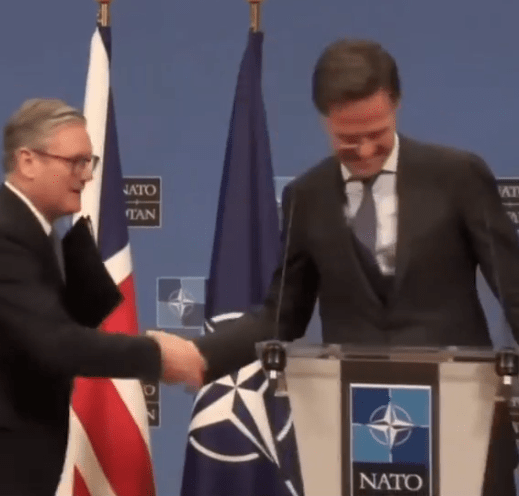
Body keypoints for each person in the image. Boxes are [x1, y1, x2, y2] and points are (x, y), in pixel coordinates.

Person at [190, 39, 519, 495]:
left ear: (396, 106)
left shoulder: (458, 176)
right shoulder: (306, 196)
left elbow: (514, 289)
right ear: (324, 120)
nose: (365, 151)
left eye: (377, 134)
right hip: (358, 427)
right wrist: (200, 356)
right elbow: (281, 316)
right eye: (348, 139)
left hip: (464, 421)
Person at [0, 98, 205, 496]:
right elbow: (57, 343)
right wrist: (158, 356)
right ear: (27, 162)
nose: (86, 176)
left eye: (88, 162)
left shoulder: (35, 231)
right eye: (74, 162)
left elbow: (61, 327)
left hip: (5, 464)